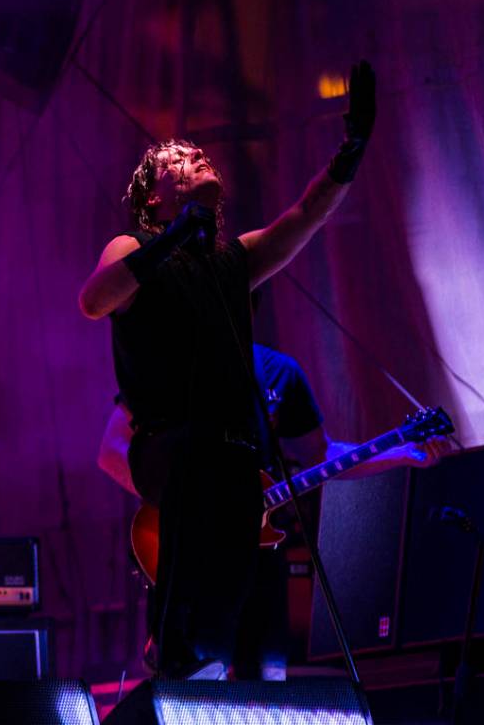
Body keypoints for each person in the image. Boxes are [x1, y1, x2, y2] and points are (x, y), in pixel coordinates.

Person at [79, 61, 379, 678]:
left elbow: (303, 218)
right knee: (197, 486)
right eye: (180, 162)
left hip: (232, 454)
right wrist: (171, 239)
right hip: (170, 445)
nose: (199, 160)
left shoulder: (233, 258)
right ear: (154, 196)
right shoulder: (134, 248)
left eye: (200, 156)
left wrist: (349, 154)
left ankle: (189, 664)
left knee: (223, 615)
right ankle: (172, 652)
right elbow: (93, 300)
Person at [97, 341, 446, 679]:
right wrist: (181, 506)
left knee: (268, 683)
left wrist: (400, 454)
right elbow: (112, 452)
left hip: (259, 553)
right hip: (196, 559)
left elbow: (320, 455)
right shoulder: (176, 360)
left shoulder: (280, 371)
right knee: (196, 685)